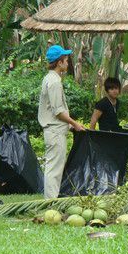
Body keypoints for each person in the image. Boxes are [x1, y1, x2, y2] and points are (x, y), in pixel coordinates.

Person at [38, 45, 85, 198]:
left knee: (54, 168)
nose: (67, 63)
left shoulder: (50, 78)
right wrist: (75, 123)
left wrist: (70, 124)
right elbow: (58, 112)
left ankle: (51, 202)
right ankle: (51, 204)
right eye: (65, 60)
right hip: (55, 131)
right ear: (59, 62)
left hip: (55, 130)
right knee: (54, 170)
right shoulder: (54, 82)